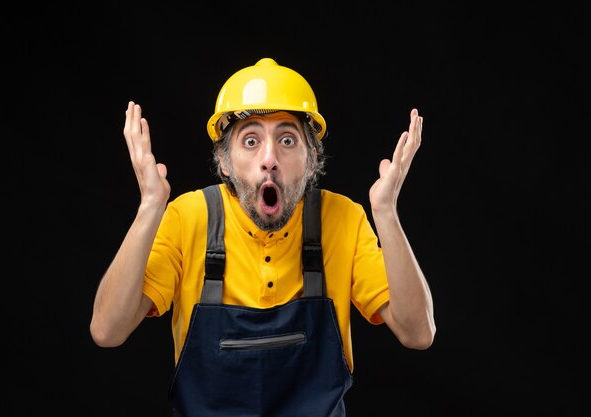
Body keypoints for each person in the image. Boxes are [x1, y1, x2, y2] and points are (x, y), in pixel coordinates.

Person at [90, 57, 436, 417]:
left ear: (312, 158)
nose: (269, 158)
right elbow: (107, 330)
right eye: (251, 140)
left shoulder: (343, 219)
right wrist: (149, 205)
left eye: (287, 139)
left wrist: (386, 214)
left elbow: (418, 333)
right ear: (225, 161)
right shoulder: (188, 218)